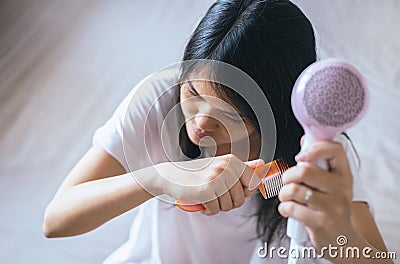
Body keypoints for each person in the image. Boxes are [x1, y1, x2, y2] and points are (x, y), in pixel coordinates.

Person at [43, 0, 390, 263]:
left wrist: (336, 232)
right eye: (192, 94)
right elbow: (57, 219)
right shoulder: (159, 101)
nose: (200, 123)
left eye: (230, 113)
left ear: (276, 110)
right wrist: (162, 177)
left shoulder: (314, 151)